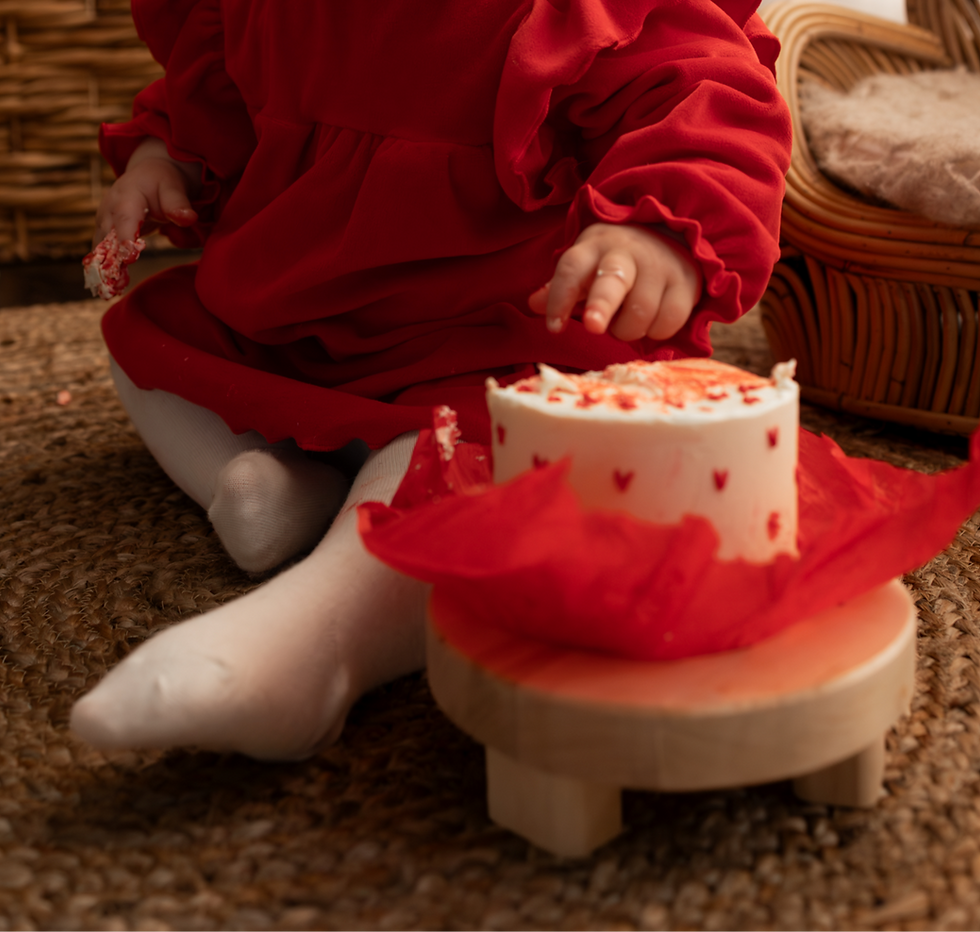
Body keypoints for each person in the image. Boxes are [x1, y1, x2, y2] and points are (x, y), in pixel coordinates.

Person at [70, 0, 792, 760]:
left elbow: (699, 100)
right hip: (287, 322)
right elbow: (213, 98)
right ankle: (253, 488)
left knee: (496, 458)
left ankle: (315, 644)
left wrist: (654, 230)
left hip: (484, 343)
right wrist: (163, 163)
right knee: (151, 341)